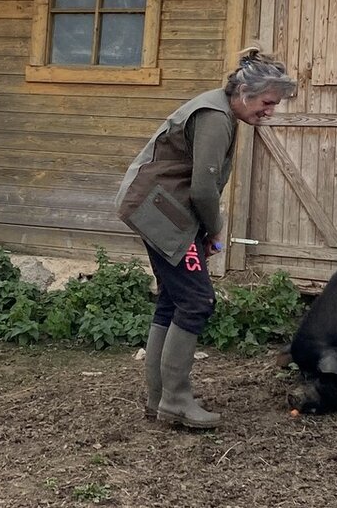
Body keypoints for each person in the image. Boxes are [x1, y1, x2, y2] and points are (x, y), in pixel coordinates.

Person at [115, 47, 297, 429]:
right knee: (197, 301)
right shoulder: (216, 117)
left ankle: (159, 398)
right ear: (245, 93)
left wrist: (201, 229)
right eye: (267, 102)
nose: (270, 110)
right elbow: (202, 188)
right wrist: (215, 229)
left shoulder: (220, 109)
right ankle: (176, 401)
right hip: (160, 211)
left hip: (157, 207)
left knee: (173, 300)